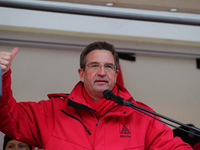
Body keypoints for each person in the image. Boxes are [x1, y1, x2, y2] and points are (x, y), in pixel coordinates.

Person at [0, 41, 192, 149]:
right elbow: (8, 117)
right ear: (81, 74)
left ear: (116, 74)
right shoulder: (51, 112)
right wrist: (1, 75)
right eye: (94, 66)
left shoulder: (141, 117)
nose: (102, 72)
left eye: (108, 67)